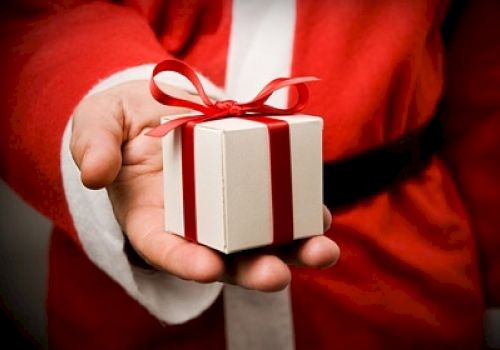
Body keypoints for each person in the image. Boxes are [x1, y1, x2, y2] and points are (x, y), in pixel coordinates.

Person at [0, 0, 498, 349]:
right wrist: (111, 92)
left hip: (404, 267)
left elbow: (486, 67)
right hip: (133, 294)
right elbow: (32, 15)